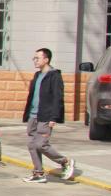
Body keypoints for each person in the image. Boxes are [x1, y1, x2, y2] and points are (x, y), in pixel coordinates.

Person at [22, 48, 74, 183]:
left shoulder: (54, 76)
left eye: (37, 58)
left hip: (46, 116)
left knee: (41, 144)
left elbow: (58, 97)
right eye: (34, 58)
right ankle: (38, 173)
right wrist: (27, 114)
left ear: (46, 60)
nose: (35, 60)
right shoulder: (37, 75)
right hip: (33, 115)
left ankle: (65, 161)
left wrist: (54, 117)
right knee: (32, 145)